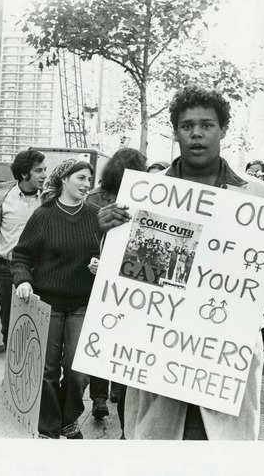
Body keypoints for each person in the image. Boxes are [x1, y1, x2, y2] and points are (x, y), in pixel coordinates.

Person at [97, 86, 264, 440]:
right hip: (160, 352)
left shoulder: (257, 196)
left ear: (223, 130)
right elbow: (130, 282)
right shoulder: (146, 194)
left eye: (207, 125)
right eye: (187, 125)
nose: (196, 133)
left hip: (224, 358)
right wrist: (111, 236)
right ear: (175, 131)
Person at [12, 159, 101, 439]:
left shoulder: (96, 216)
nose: (88, 184)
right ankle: (50, 425)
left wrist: (103, 265)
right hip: (47, 304)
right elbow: (22, 255)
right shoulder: (44, 216)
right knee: (47, 370)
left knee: (78, 371)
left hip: (82, 304)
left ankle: (69, 417)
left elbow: (116, 256)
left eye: (90, 179)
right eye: (82, 178)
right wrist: (23, 280)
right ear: (64, 179)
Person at [85, 147, 146, 429]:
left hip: (100, 282)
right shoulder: (144, 199)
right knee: (122, 341)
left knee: (103, 339)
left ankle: (99, 397)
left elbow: (84, 237)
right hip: (130, 284)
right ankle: (118, 392)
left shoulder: (95, 198)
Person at [0, 149, 47, 348]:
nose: (44, 175)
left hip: (41, 270)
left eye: (44, 170)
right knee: (10, 324)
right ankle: (12, 375)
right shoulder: (2, 198)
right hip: (7, 270)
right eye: (38, 171)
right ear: (23, 174)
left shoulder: (47, 200)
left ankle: (34, 377)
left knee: (39, 326)